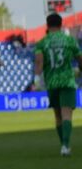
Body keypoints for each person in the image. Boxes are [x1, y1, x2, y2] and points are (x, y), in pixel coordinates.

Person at [34, 13, 81, 157]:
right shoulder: (70, 41)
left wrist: (37, 78)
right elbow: (80, 59)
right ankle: (66, 146)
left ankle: (63, 145)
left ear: (47, 25)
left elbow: (39, 65)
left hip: (52, 82)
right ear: (61, 25)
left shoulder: (42, 43)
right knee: (67, 114)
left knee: (58, 116)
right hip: (67, 80)